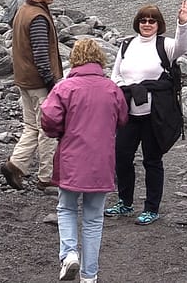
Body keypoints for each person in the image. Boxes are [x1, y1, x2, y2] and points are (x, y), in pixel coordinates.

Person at [41, 39, 129, 283]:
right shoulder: (112, 88)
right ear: (100, 59)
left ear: (75, 59)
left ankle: (69, 253)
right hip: (101, 161)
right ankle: (90, 276)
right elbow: (122, 118)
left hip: (71, 158)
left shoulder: (64, 87)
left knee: (66, 208)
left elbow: (48, 118)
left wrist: (60, 130)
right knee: (93, 219)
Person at [104, 0, 187, 225]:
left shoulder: (166, 46)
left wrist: (183, 23)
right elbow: (116, 75)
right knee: (122, 157)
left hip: (154, 114)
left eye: (152, 21)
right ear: (137, 23)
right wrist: (126, 90)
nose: (147, 24)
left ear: (159, 24)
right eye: (143, 20)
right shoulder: (126, 45)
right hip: (128, 112)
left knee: (152, 160)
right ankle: (125, 202)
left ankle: (151, 208)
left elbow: (183, 46)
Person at [0, 0, 64, 191]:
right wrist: (52, 83)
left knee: (31, 126)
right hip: (38, 83)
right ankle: (46, 178)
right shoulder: (37, 16)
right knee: (47, 130)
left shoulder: (24, 11)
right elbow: (40, 54)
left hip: (24, 81)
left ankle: (16, 164)